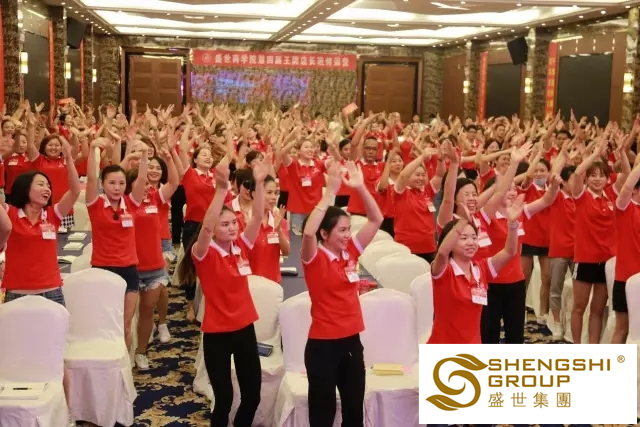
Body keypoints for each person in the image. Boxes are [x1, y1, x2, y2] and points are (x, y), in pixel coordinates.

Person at [177, 157, 269, 427]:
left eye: (233, 223)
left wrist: (259, 183)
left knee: (252, 396)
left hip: (244, 329)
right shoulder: (204, 253)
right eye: (224, 224)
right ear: (214, 229)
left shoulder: (241, 247)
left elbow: (258, 217)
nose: (231, 228)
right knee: (224, 399)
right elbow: (205, 226)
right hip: (217, 334)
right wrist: (221, 189)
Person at [300, 160, 383, 427]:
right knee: (322, 417)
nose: (348, 235)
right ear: (325, 233)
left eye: (349, 229)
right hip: (323, 346)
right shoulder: (314, 258)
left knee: (353, 414)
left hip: (351, 343)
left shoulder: (350, 253)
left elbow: (376, 219)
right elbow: (308, 232)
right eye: (342, 230)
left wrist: (360, 187)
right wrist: (330, 193)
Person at [428, 196, 522, 344]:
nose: (471, 242)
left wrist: (512, 225)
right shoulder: (445, 270)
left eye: (474, 237)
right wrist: (463, 221)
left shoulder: (480, 269)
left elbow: (509, 252)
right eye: (464, 238)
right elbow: (442, 252)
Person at [85, 138, 147, 352]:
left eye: (121, 183)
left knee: (125, 325)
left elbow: (142, 178)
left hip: (128, 269)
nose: (117, 187)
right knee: (104, 324)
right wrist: (93, 148)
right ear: (103, 184)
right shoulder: (95, 204)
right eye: (112, 183)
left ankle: (124, 365)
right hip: (102, 269)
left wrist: (145, 155)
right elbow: (91, 177)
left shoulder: (131, 203)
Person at [127, 149, 179, 369]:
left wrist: (169, 157)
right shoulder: (124, 203)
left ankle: (141, 351)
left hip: (154, 266)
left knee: (147, 311)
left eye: (148, 184)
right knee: (127, 316)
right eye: (142, 183)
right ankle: (126, 352)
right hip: (129, 266)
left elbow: (174, 182)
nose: (146, 187)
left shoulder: (155, 199)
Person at [248, 175, 289, 283]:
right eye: (269, 192)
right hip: (249, 283)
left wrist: (279, 230)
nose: (274, 197)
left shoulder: (280, 220)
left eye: (276, 193)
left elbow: (286, 252)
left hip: (273, 282)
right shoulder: (242, 220)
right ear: (254, 194)